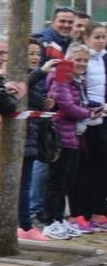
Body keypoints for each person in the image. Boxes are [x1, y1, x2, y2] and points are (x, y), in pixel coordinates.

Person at [42, 45, 98, 239]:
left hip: (73, 136)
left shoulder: (77, 80)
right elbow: (67, 106)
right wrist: (90, 113)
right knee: (56, 182)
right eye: (78, 60)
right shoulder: (61, 77)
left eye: (85, 60)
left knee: (66, 182)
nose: (82, 64)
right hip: (61, 136)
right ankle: (50, 220)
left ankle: (59, 218)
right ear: (68, 60)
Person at [67, 22, 106, 234]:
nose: (101, 41)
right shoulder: (83, 58)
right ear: (87, 38)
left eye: (103, 37)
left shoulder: (103, 58)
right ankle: (78, 213)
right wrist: (90, 108)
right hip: (83, 119)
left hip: (100, 120)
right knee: (81, 169)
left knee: (100, 167)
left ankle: (97, 212)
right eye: (97, 37)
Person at [19, 38, 52, 241]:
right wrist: (41, 72)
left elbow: (32, 98)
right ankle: (24, 224)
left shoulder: (36, 79)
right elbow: (22, 89)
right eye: (30, 53)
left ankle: (24, 223)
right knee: (24, 183)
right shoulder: (23, 76)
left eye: (37, 54)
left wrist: (45, 103)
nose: (34, 57)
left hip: (32, 136)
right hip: (21, 138)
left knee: (26, 182)